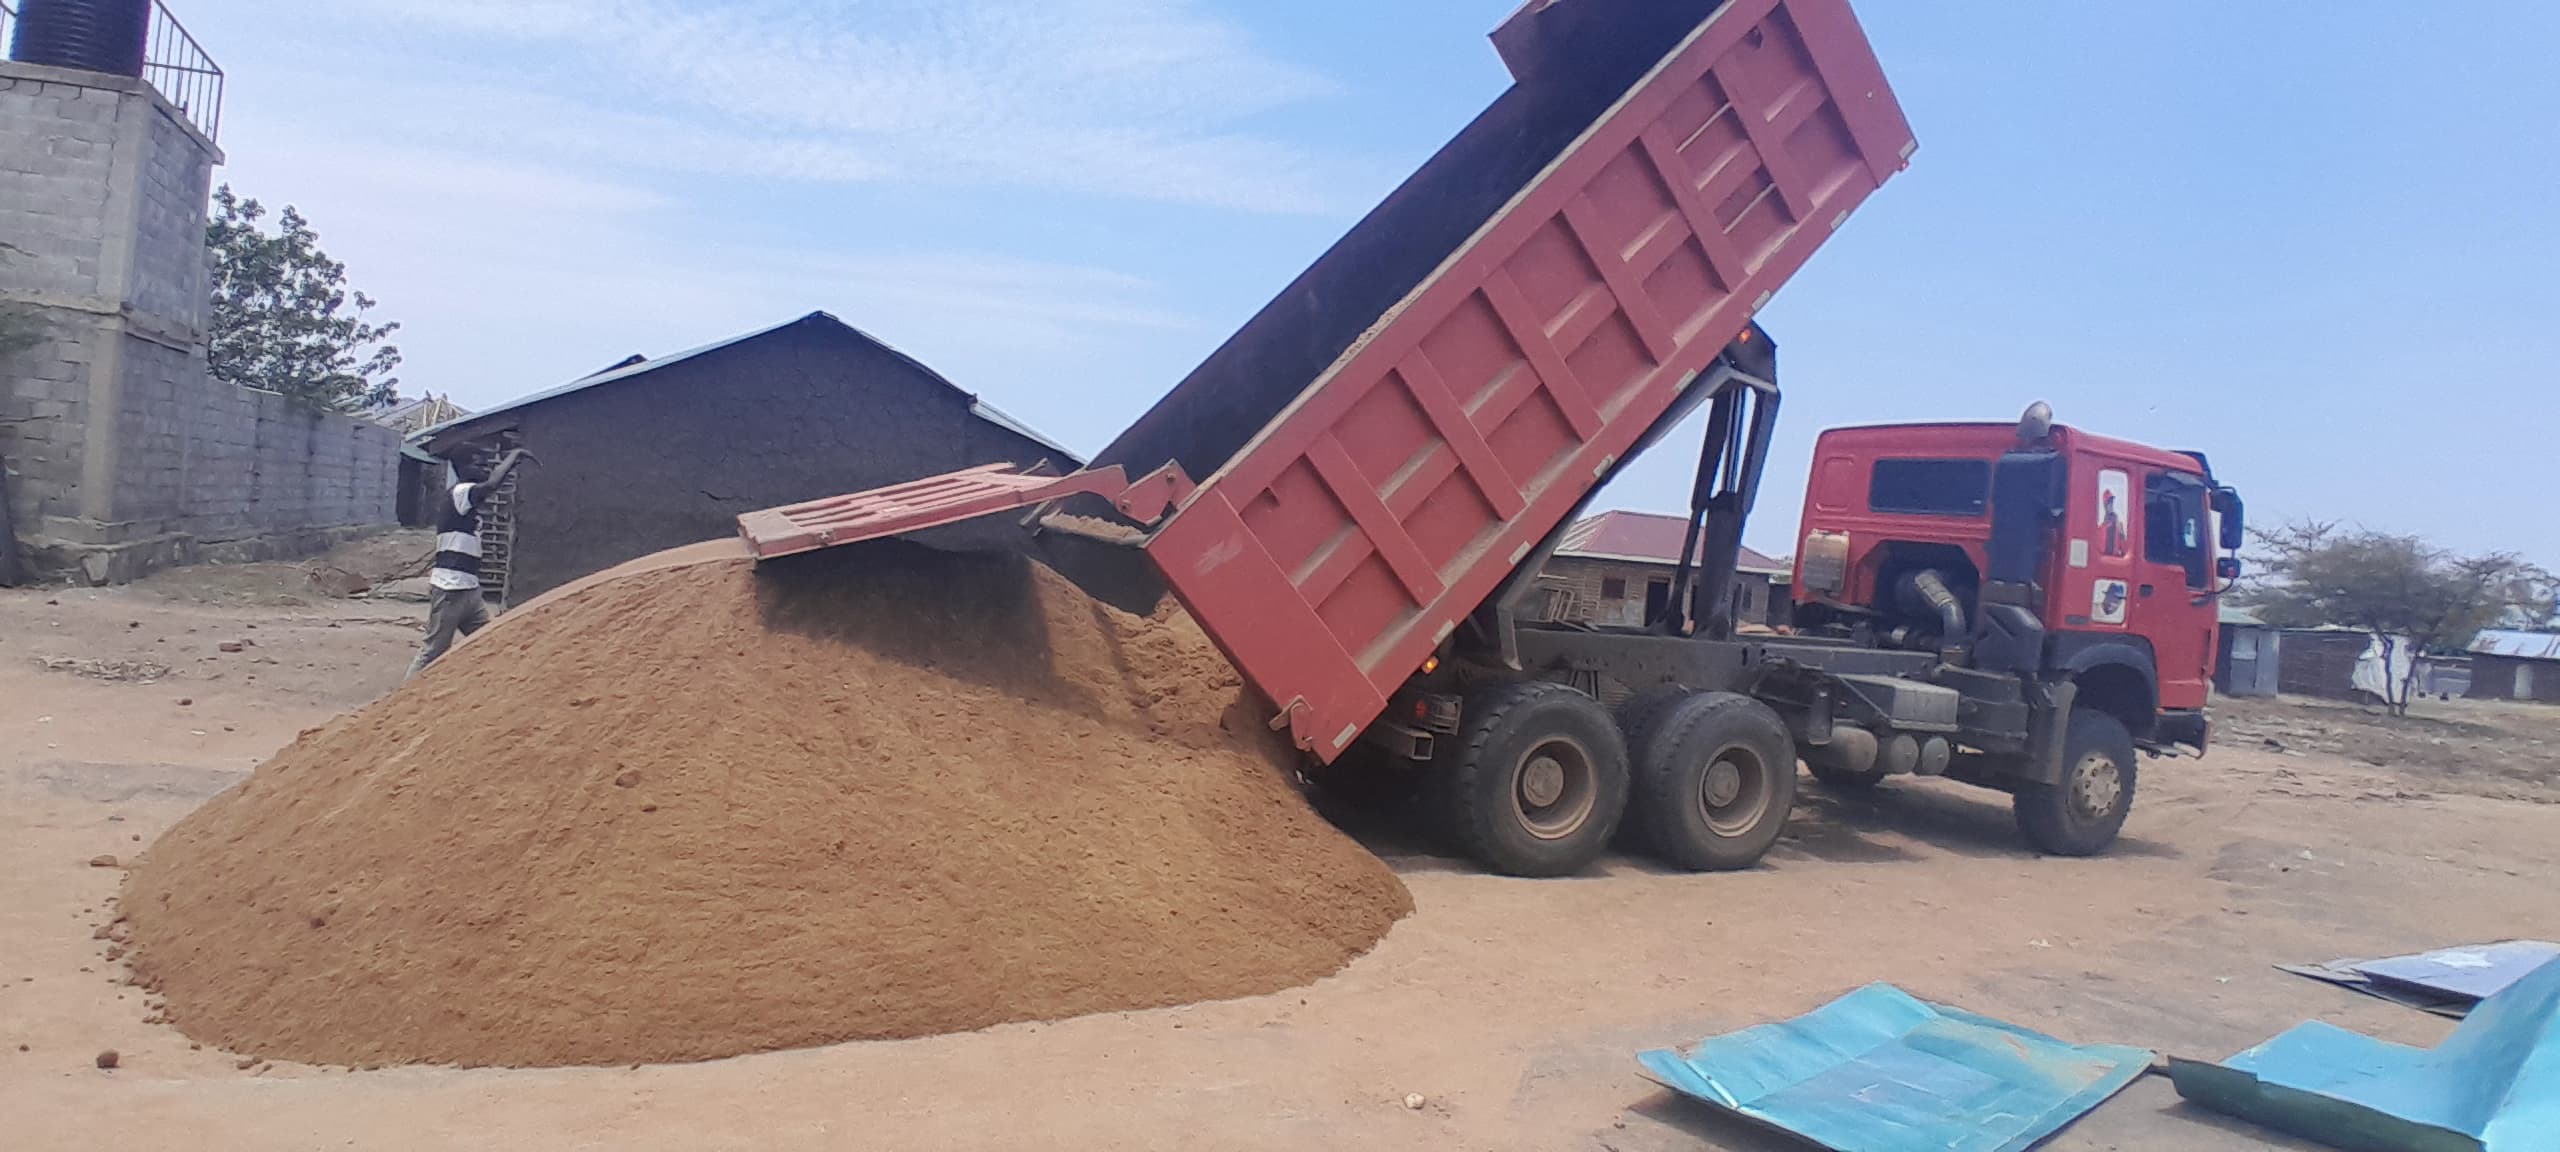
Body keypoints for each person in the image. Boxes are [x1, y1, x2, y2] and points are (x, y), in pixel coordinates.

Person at [408, 449, 530, 678]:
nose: (484, 469)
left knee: (488, 641)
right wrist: (514, 456)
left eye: (485, 464)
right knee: (433, 651)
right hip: (450, 588)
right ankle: (402, 697)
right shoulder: (460, 492)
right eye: (478, 464)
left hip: (468, 590)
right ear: (462, 469)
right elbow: (491, 485)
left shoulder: (466, 501)